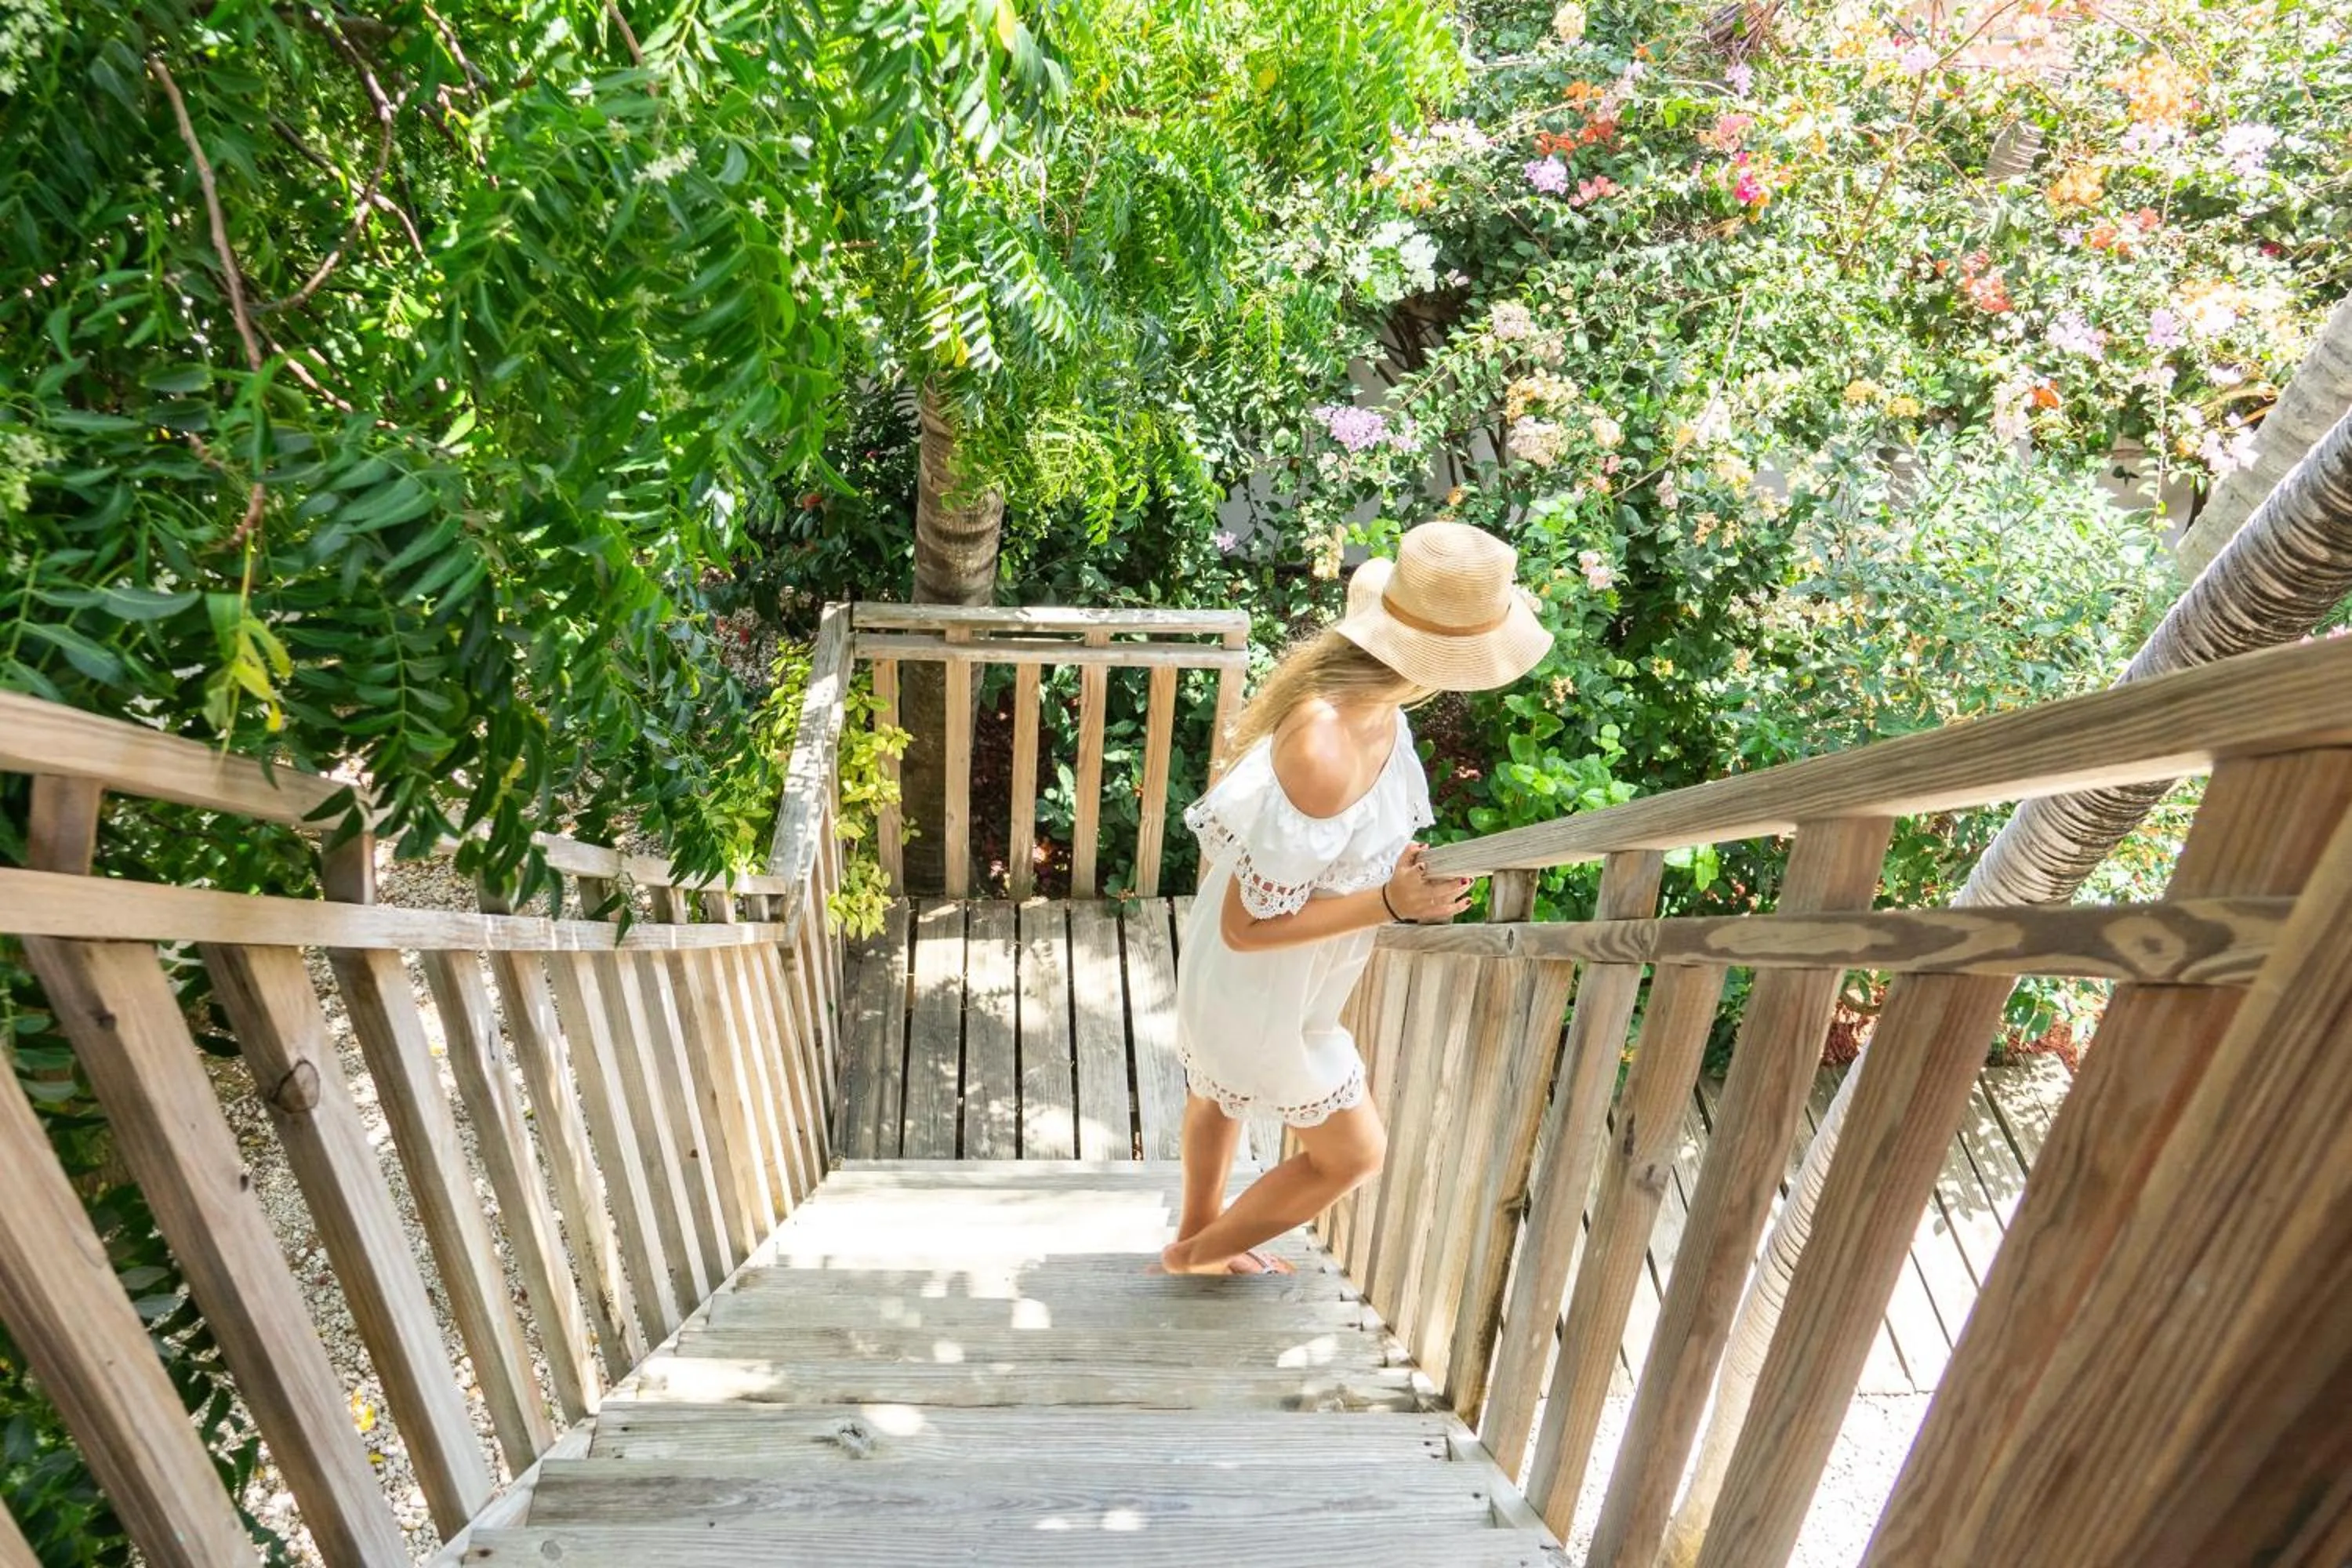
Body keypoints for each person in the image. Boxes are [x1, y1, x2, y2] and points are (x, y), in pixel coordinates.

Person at [1159, 521, 1553, 1276]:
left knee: (1219, 1094)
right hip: (1262, 978)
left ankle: (1197, 1236)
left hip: (1284, 979)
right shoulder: (1327, 740)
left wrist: (1386, 875)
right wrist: (1393, 904)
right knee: (1353, 1155)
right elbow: (1248, 927)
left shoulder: (1376, 712)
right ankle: (1193, 1256)